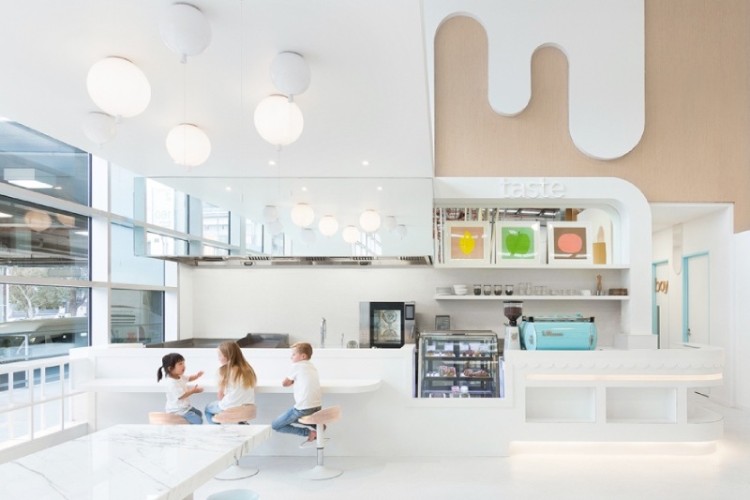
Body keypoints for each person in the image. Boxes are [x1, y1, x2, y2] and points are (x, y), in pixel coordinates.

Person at [271, 342, 322, 447]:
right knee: (298, 417)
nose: (291, 357)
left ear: (303, 356)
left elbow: (285, 383)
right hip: (317, 407)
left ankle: (309, 432)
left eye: (294, 354)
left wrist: (293, 381)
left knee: (276, 425)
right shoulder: (312, 367)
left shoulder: (297, 366)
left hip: (303, 408)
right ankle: (317, 425)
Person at [204, 341, 257, 424]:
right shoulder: (248, 369)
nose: (218, 358)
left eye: (220, 355)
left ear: (226, 356)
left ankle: (217, 433)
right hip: (248, 407)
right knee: (239, 416)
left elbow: (220, 396)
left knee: (208, 409)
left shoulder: (224, 371)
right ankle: (242, 425)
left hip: (231, 406)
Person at [156, 352, 204, 424]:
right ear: (170, 368)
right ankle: (190, 430)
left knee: (199, 413)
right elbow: (181, 396)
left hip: (185, 407)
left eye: (183, 363)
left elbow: (189, 378)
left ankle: (188, 425)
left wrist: (196, 376)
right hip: (177, 410)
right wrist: (193, 391)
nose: (184, 366)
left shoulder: (180, 376)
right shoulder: (171, 383)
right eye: (180, 364)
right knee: (198, 420)